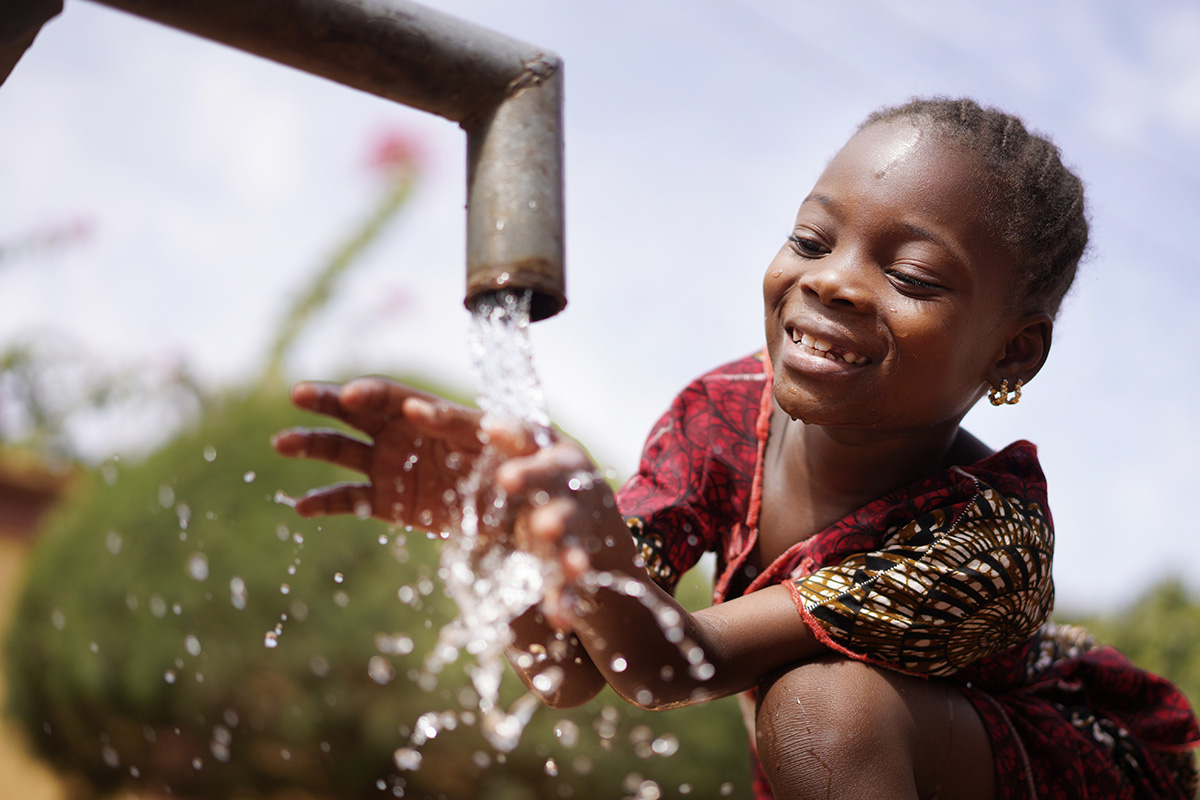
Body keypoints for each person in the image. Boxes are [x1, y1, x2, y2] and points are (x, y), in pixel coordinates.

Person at [272, 97, 1200, 799]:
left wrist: (585, 541)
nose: (832, 281)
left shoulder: (986, 533)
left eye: (911, 274)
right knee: (812, 713)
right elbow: (570, 668)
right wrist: (496, 530)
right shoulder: (720, 414)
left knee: (821, 709)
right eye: (811, 237)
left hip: (1078, 766)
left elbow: (668, 665)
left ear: (1012, 350)